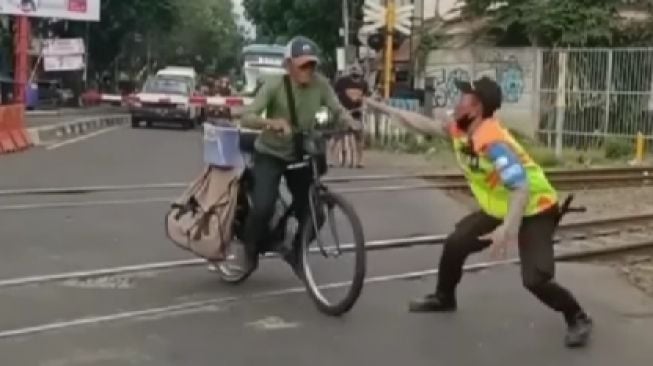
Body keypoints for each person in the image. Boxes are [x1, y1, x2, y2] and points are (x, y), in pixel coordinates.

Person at [365, 76, 593, 348]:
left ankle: (577, 316)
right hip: (499, 207)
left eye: (462, 98)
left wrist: (507, 229)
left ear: (475, 109)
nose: (455, 103)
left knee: (535, 279)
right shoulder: (461, 129)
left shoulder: (493, 142)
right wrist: (382, 108)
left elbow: (520, 188)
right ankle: (444, 297)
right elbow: (425, 124)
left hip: (535, 208)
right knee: (456, 243)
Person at [234, 36, 357, 274]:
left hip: (300, 155)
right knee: (263, 207)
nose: (308, 70)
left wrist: (349, 122)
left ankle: (296, 252)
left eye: (311, 65)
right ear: (288, 65)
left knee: (315, 213)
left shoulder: (321, 85)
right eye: (302, 65)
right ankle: (249, 249)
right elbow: (247, 116)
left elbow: (336, 108)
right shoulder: (274, 85)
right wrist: (272, 122)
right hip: (270, 153)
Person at [332, 64, 369, 168]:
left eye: (357, 75)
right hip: (343, 113)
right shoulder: (342, 82)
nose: (356, 78)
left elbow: (364, 98)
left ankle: (360, 161)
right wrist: (339, 109)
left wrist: (363, 108)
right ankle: (334, 160)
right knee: (337, 137)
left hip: (356, 113)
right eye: (354, 75)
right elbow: (334, 96)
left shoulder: (363, 83)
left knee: (359, 137)